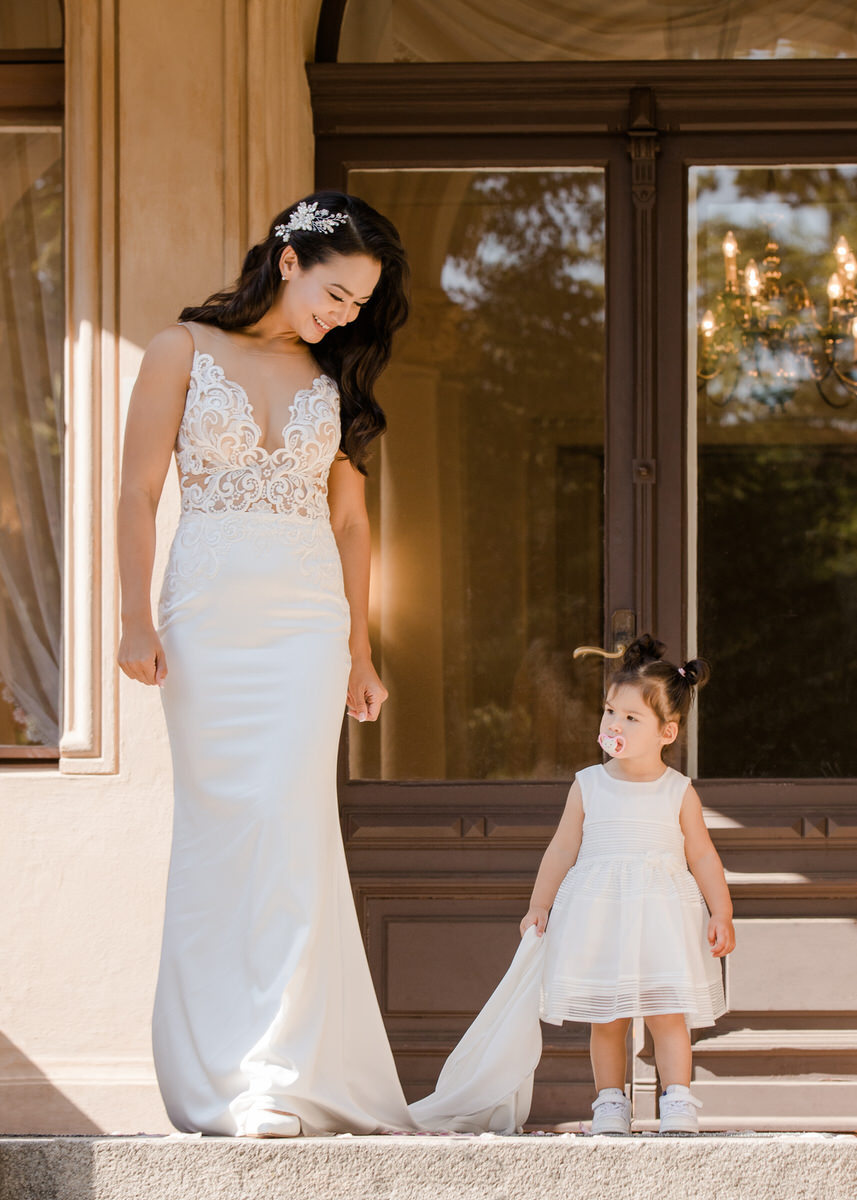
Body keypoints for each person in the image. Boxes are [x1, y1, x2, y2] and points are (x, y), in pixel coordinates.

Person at [117, 192, 415, 1137]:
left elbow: (352, 521)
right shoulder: (181, 351)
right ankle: (215, 1072)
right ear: (289, 262)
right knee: (221, 833)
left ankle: (278, 1076)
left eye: (360, 305)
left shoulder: (332, 381)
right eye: (337, 293)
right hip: (207, 614)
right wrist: (133, 619)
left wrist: (360, 651)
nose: (346, 316)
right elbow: (135, 490)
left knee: (290, 828)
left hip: (303, 623)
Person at [411, 634, 734, 1136]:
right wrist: (540, 904)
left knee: (668, 1013)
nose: (614, 724)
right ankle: (609, 1101)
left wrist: (721, 911)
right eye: (609, 712)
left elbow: (702, 854)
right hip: (602, 917)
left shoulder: (677, 791)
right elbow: (562, 848)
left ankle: (677, 1099)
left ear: (667, 731)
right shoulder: (589, 784)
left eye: (631, 718)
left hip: (661, 919)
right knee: (606, 1016)